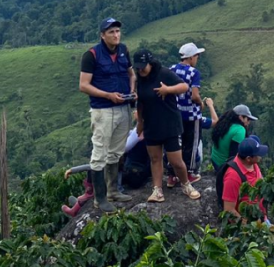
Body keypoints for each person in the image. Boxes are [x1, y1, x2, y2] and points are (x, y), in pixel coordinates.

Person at [78, 17, 135, 211]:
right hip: (102, 109)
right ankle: (99, 198)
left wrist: (132, 91)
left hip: (124, 107)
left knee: (117, 151)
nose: (116, 35)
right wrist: (108, 95)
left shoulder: (124, 50)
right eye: (111, 32)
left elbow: (131, 74)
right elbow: (83, 85)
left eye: (117, 31)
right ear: (103, 35)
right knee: (100, 152)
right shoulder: (92, 55)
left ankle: (113, 191)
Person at [133, 49, 201, 202]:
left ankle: (186, 184)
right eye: (138, 67)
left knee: (176, 160)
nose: (140, 69)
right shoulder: (140, 79)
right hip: (151, 124)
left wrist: (168, 90)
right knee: (155, 158)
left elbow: (184, 87)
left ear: (151, 63)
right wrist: (140, 122)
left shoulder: (163, 73)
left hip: (170, 123)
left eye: (143, 66)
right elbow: (140, 103)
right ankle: (157, 190)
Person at [169, 42, 207, 185]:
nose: (197, 59)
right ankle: (189, 173)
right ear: (191, 57)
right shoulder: (194, 72)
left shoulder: (172, 69)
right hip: (192, 115)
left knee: (175, 144)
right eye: (197, 56)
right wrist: (201, 103)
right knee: (191, 144)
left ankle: (172, 175)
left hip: (176, 113)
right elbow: (194, 95)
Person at [209, 104, 258, 208]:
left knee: (253, 140)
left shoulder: (224, 124)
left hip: (215, 160)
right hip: (223, 166)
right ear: (240, 117)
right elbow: (233, 156)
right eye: (247, 119)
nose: (248, 122)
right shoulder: (240, 130)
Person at [221, 136, 269, 223]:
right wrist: (250, 228)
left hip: (262, 217)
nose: (260, 156)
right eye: (257, 154)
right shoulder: (233, 176)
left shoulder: (253, 164)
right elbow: (229, 210)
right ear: (248, 158)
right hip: (249, 225)